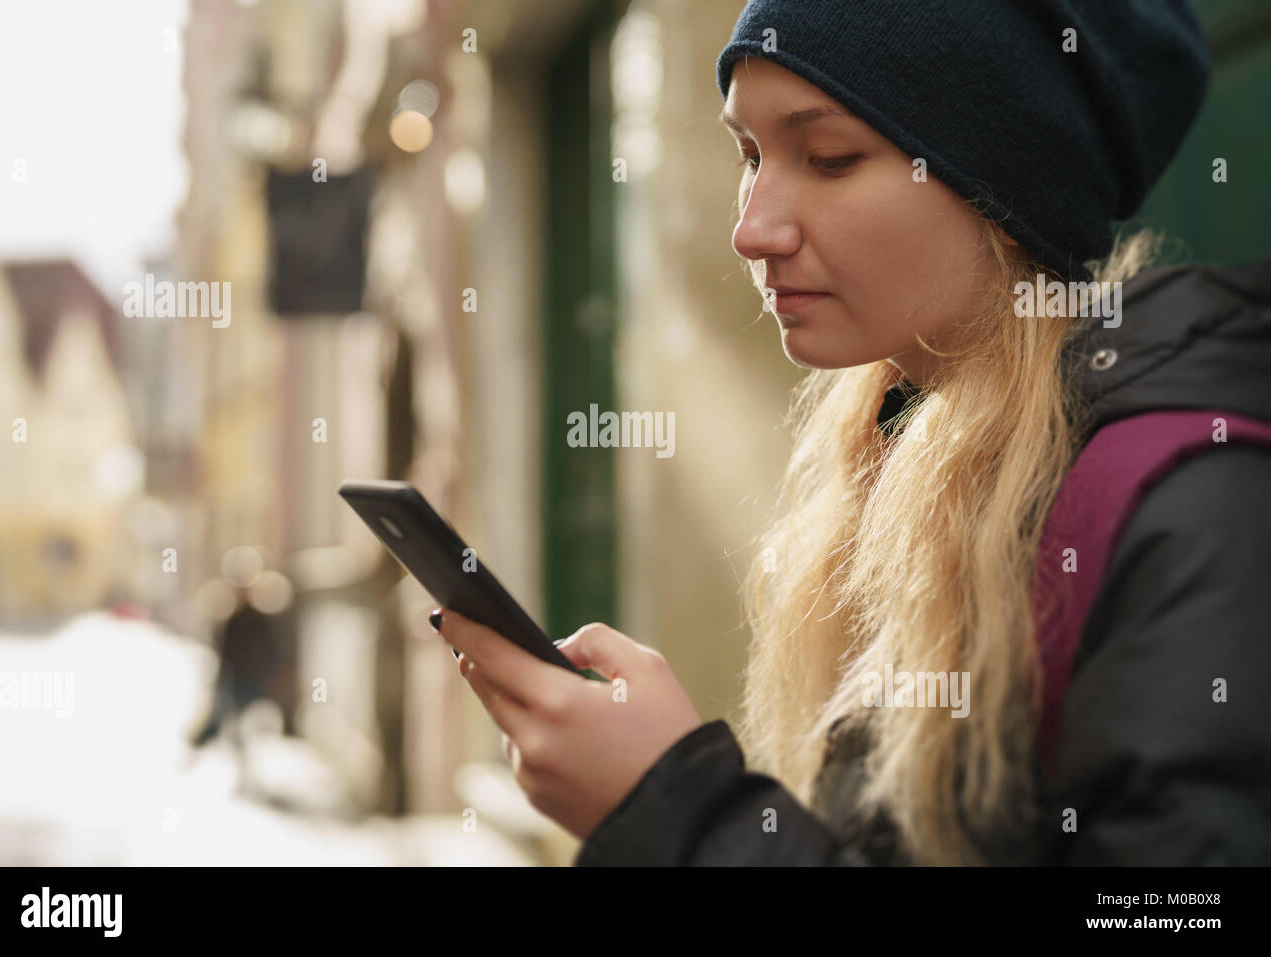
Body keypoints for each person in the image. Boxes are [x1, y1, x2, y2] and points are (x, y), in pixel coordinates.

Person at [432, 0, 1271, 865]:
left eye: (829, 158)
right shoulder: (902, 452)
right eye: (749, 155)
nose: (751, 228)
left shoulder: (1192, 505)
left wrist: (680, 814)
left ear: (1008, 185)